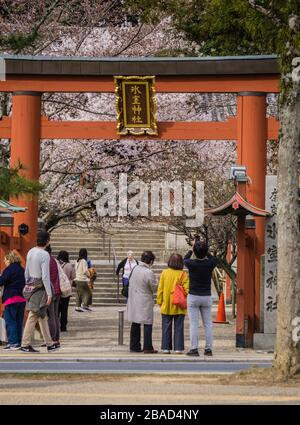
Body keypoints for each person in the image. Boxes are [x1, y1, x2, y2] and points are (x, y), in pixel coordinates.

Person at [20, 231, 58, 353]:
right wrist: (49, 294)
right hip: (40, 286)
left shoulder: (31, 251)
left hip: (31, 283)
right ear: (47, 241)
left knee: (42, 315)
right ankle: (25, 344)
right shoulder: (45, 254)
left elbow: (26, 271)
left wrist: (27, 284)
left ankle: (49, 343)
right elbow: (45, 276)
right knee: (34, 314)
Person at [184, 239, 218, 357]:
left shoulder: (191, 264)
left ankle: (194, 349)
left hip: (193, 296)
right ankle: (208, 349)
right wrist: (205, 249)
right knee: (208, 323)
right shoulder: (210, 264)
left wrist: (192, 248)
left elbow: (185, 259)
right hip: (206, 296)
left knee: (193, 323)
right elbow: (213, 258)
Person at [157, 253, 189, 354]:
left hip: (166, 304)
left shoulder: (164, 273)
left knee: (166, 326)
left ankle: (166, 348)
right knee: (179, 327)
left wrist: (159, 301)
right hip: (179, 305)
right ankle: (178, 348)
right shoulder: (183, 274)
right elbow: (187, 290)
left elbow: (160, 289)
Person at [126, 251, 157, 354]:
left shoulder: (135, 268)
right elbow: (154, 288)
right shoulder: (149, 272)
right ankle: (148, 346)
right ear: (151, 261)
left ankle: (134, 346)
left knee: (135, 322)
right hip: (145, 300)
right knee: (147, 323)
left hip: (134, 298)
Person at [0, 251, 26, 350]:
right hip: (21, 298)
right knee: (19, 321)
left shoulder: (9, 269)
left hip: (11, 298)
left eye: (5, 259)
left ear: (10, 259)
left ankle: (13, 343)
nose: (4, 261)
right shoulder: (21, 269)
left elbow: (1, 281)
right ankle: (18, 342)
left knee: (10, 321)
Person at [45, 245, 61, 347]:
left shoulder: (46, 260)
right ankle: (56, 338)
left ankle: (52, 338)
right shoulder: (54, 260)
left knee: (50, 315)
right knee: (54, 315)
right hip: (57, 290)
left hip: (50, 291)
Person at [57, 251, 75, 332]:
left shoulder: (56, 264)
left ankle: (55, 325)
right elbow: (73, 277)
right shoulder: (70, 266)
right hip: (66, 290)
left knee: (56, 309)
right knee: (64, 309)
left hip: (57, 289)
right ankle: (63, 326)